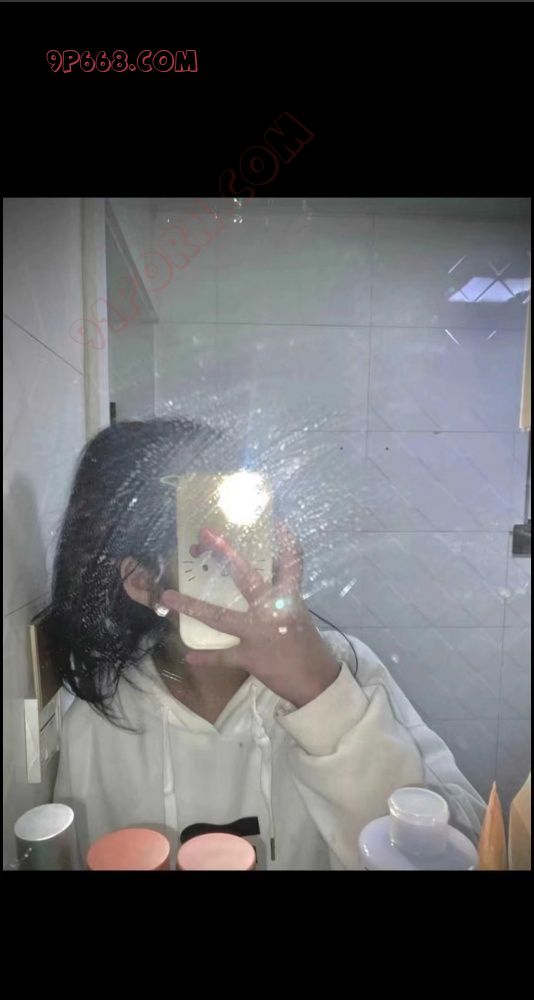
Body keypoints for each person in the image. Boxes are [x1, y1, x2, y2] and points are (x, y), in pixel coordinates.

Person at [51, 417, 486, 869]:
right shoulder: (100, 724)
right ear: (142, 581)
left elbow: (468, 841)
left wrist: (322, 697)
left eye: (254, 520)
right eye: (210, 530)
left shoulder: (346, 671)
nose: (248, 553)